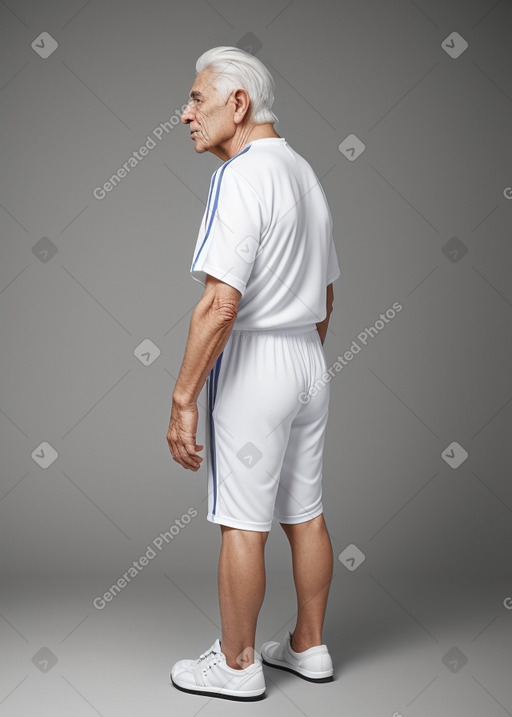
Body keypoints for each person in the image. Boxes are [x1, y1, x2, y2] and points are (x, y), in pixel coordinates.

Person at [166, 46, 340, 701]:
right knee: (307, 511)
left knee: (244, 518)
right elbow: (326, 298)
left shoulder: (240, 176)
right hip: (307, 359)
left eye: (196, 99)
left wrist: (184, 398)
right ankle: (309, 643)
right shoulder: (303, 171)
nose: (184, 114)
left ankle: (238, 663)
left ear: (238, 104)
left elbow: (220, 303)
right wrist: (305, 360)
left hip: (256, 361)